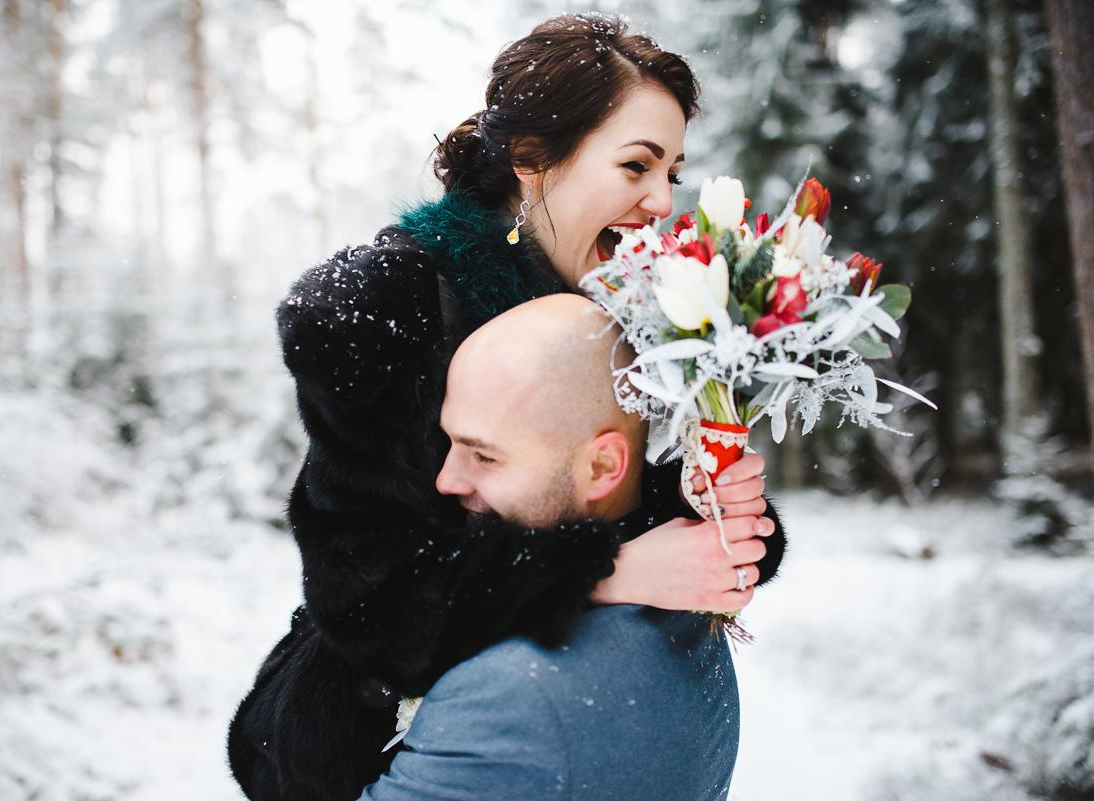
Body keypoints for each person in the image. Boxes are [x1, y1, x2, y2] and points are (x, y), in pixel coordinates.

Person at [228, 14, 786, 801]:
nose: (663, 200)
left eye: (674, 171)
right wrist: (613, 569)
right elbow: (371, 599)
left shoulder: (625, 303)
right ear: (530, 160)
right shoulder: (385, 308)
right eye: (636, 165)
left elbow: (596, 488)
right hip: (367, 733)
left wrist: (712, 511)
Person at [361, 292, 758, 801]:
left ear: (601, 467)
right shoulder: (683, 602)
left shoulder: (509, 695)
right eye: (450, 444)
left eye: (484, 456)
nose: (445, 480)